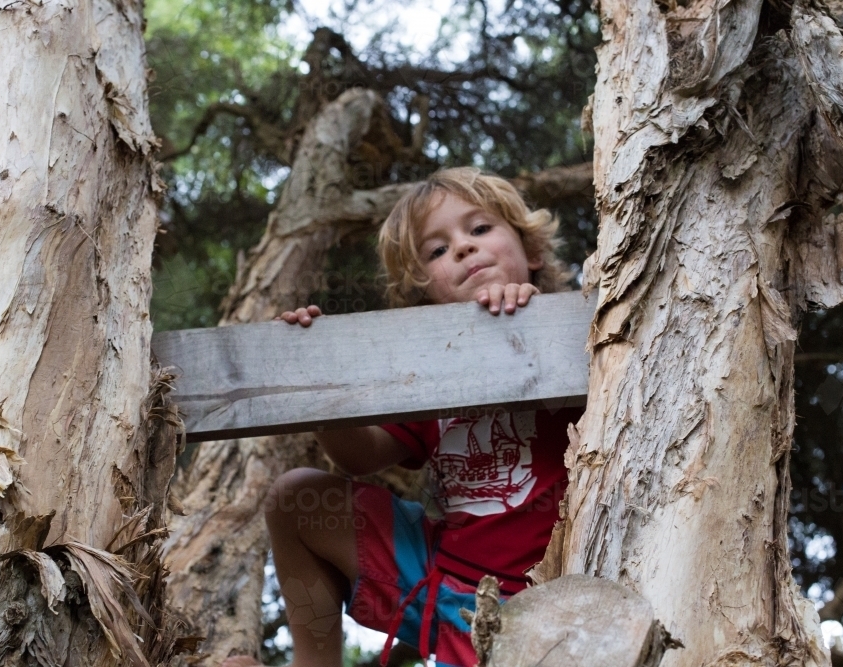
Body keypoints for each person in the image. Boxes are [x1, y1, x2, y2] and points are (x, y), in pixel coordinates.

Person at [228, 167, 582, 667]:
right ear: (422, 296)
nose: (461, 247)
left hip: (546, 600)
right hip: (444, 583)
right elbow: (361, 456)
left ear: (533, 251)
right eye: (436, 250)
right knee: (296, 497)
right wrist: (322, 385)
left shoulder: (572, 333)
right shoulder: (425, 371)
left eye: (480, 229)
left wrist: (533, 317)